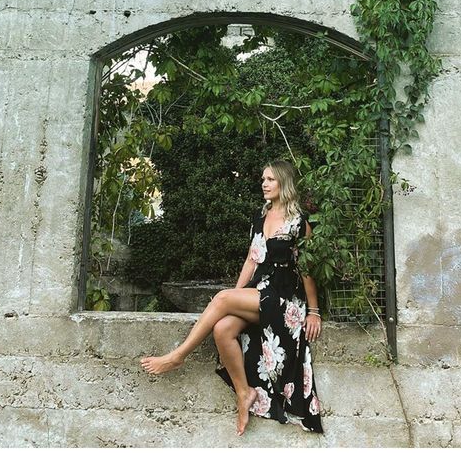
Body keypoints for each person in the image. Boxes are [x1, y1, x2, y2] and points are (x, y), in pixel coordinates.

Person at [139, 159, 324, 435]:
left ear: (284, 183)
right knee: (222, 328)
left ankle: (178, 356)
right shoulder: (260, 218)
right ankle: (243, 393)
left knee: (223, 299)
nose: (264, 183)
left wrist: (314, 311)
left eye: (270, 179)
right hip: (260, 292)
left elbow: (307, 269)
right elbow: (252, 261)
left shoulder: (299, 223)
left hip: (285, 301)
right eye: (263, 179)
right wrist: (238, 294)